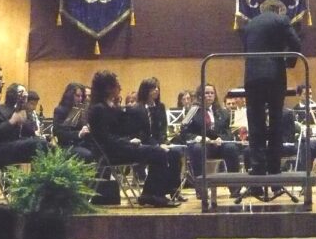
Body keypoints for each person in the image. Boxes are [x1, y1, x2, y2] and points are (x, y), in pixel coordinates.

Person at [86, 70, 179, 207]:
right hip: (110, 153)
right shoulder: (98, 109)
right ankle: (153, 194)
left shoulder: (110, 106)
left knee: (161, 151)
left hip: (119, 148)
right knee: (158, 152)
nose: (120, 88)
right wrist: (128, 142)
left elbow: (122, 130)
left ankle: (150, 193)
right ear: (108, 88)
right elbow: (106, 139)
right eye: (117, 85)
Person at [241, 5, 302, 178]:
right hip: (274, 75)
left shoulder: (250, 23)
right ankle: (274, 167)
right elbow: (296, 43)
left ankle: (258, 168)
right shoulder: (281, 20)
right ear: (278, 10)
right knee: (276, 121)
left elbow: (246, 49)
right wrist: (288, 63)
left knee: (255, 123)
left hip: (252, 76)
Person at [181, 83, 242, 193]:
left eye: (212, 93)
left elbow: (228, 132)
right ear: (200, 95)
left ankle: (235, 188)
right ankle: (201, 190)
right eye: (206, 93)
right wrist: (198, 138)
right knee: (198, 149)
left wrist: (220, 138)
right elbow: (185, 132)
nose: (209, 95)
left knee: (231, 148)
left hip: (218, 145)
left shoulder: (223, 112)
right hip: (201, 145)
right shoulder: (192, 111)